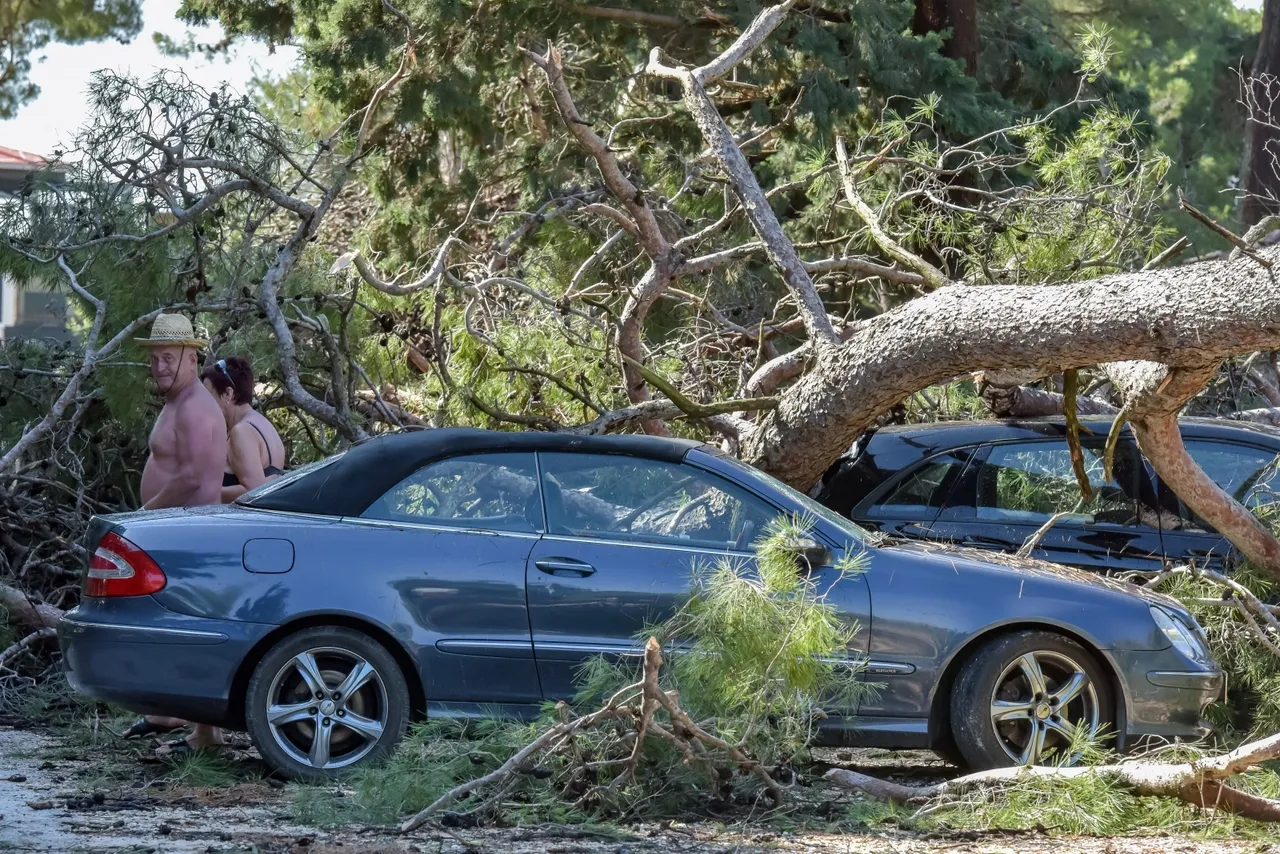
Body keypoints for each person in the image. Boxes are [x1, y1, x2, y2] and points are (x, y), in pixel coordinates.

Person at [120, 314, 229, 756]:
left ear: (192, 356)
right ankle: (170, 712)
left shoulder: (197, 406)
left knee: (193, 633)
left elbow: (192, 477)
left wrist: (139, 518)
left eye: (169, 357)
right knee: (167, 629)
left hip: (192, 538)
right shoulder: (177, 402)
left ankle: (207, 736)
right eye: (155, 358)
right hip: (176, 534)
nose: (160, 366)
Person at [198, 356, 286, 501]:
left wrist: (202, 492)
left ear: (228, 393)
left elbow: (254, 491)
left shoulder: (242, 431)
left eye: (208, 395)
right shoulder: (263, 423)